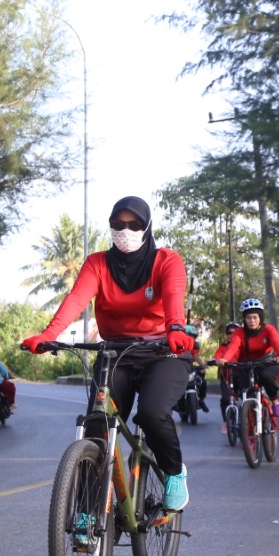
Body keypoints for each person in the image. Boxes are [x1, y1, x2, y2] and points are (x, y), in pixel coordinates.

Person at [22, 196, 193, 511]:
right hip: (115, 353)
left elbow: (172, 295)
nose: (125, 231)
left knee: (152, 414)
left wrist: (176, 329)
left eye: (134, 225)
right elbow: (77, 298)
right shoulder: (97, 263)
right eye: (118, 224)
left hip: (162, 351)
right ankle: (87, 515)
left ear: (147, 226)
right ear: (111, 226)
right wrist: (49, 335)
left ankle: (173, 471)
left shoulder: (166, 260)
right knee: (97, 428)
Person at [213, 298, 279, 419]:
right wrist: (224, 359)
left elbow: (276, 343)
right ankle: (248, 425)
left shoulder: (269, 329)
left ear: (260, 317)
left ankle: (275, 401)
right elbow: (233, 347)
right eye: (248, 318)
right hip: (247, 364)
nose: (252, 321)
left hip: (267, 363)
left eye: (255, 317)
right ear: (244, 319)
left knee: (266, 376)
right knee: (243, 386)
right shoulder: (239, 332)